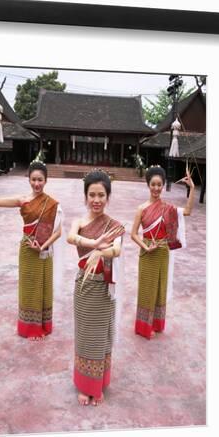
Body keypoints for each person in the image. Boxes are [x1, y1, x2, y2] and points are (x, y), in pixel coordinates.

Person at [0, 156, 62, 341]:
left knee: (44, 286)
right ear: (29, 180)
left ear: (46, 181)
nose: (37, 183)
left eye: (40, 180)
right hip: (27, 249)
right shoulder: (23, 200)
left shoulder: (52, 203)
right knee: (29, 287)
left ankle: (43, 325)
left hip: (44, 249)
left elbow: (58, 232)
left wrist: (42, 245)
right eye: (33, 179)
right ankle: (31, 328)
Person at [67, 170, 125, 406]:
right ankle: (84, 386)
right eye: (92, 195)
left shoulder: (114, 226)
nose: (96, 200)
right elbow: (71, 237)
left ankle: (97, 384)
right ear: (85, 197)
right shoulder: (79, 222)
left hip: (104, 289)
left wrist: (102, 251)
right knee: (84, 337)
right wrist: (92, 243)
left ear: (108, 197)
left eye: (101, 195)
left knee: (100, 337)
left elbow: (118, 249)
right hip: (84, 286)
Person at [131, 165, 195, 339]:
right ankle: (144, 327)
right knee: (147, 289)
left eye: (160, 184)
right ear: (148, 184)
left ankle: (156, 324)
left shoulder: (168, 209)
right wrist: (145, 247)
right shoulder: (141, 209)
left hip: (163, 253)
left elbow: (188, 211)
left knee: (160, 288)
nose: (157, 188)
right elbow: (133, 234)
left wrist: (192, 188)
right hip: (147, 253)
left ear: (163, 185)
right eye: (153, 184)